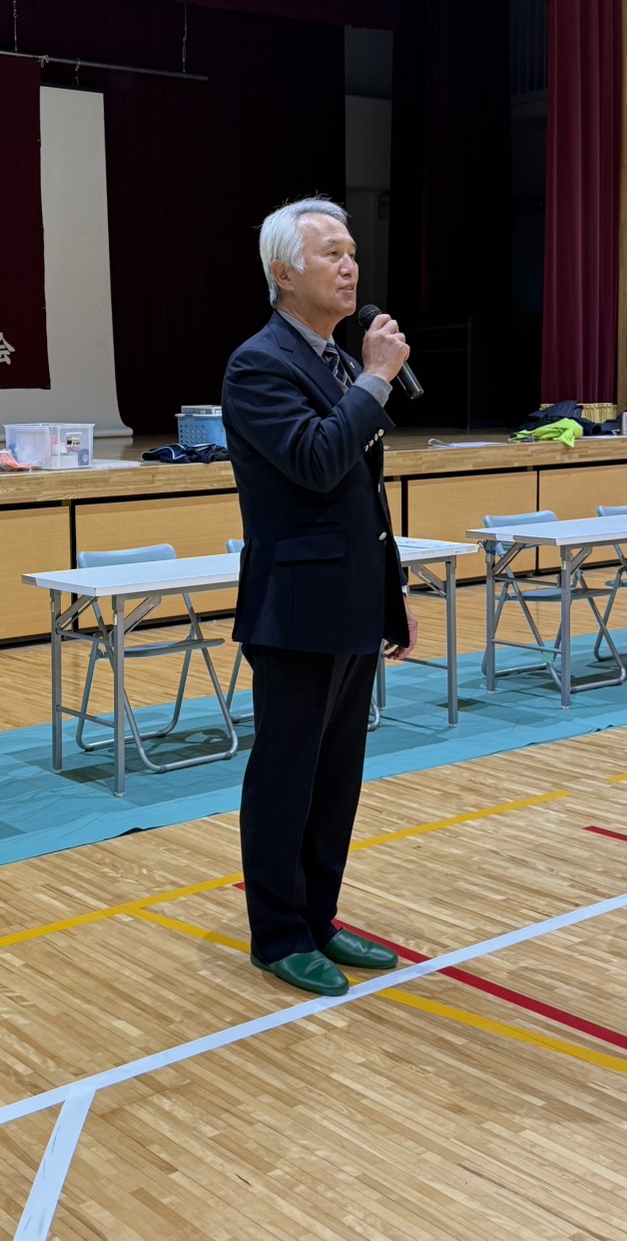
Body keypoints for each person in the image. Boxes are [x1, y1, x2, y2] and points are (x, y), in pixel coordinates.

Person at [221, 196, 418, 997]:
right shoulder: (259, 364)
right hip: (295, 606)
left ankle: (319, 916)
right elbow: (315, 460)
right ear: (283, 271)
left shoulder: (336, 360)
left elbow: (362, 497)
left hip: (351, 599)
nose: (350, 265)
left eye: (352, 251)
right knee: (287, 774)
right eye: (331, 252)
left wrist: (389, 593)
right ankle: (278, 934)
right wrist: (376, 378)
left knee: (337, 776)